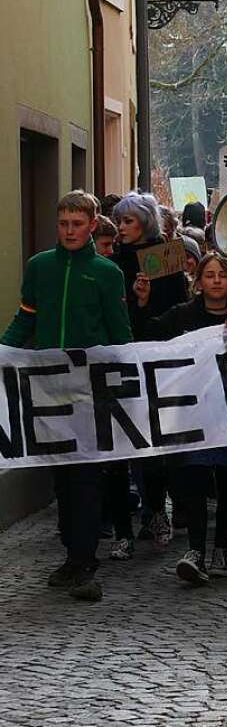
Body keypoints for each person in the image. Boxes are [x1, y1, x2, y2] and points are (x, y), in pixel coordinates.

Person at [0, 190, 132, 601]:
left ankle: (86, 559)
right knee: (59, 473)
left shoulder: (107, 273)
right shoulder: (39, 268)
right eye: (63, 224)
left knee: (86, 478)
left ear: (93, 224)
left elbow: (118, 333)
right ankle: (72, 555)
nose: (70, 231)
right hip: (47, 388)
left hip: (90, 392)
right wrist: (3, 353)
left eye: (78, 224)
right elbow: (25, 320)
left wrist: (127, 382)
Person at [133, 252, 227, 584]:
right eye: (209, 275)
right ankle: (197, 550)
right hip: (193, 414)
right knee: (194, 481)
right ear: (198, 281)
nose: (215, 280)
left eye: (222, 275)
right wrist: (142, 304)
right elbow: (148, 338)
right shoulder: (182, 315)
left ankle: (221, 547)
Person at [111, 192, 188, 550]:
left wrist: (144, 302)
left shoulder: (165, 257)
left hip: (157, 356)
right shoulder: (114, 261)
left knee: (159, 438)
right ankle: (141, 513)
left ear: (145, 222)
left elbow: (177, 308)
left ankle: (161, 510)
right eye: (119, 221)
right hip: (123, 357)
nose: (122, 227)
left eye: (128, 221)